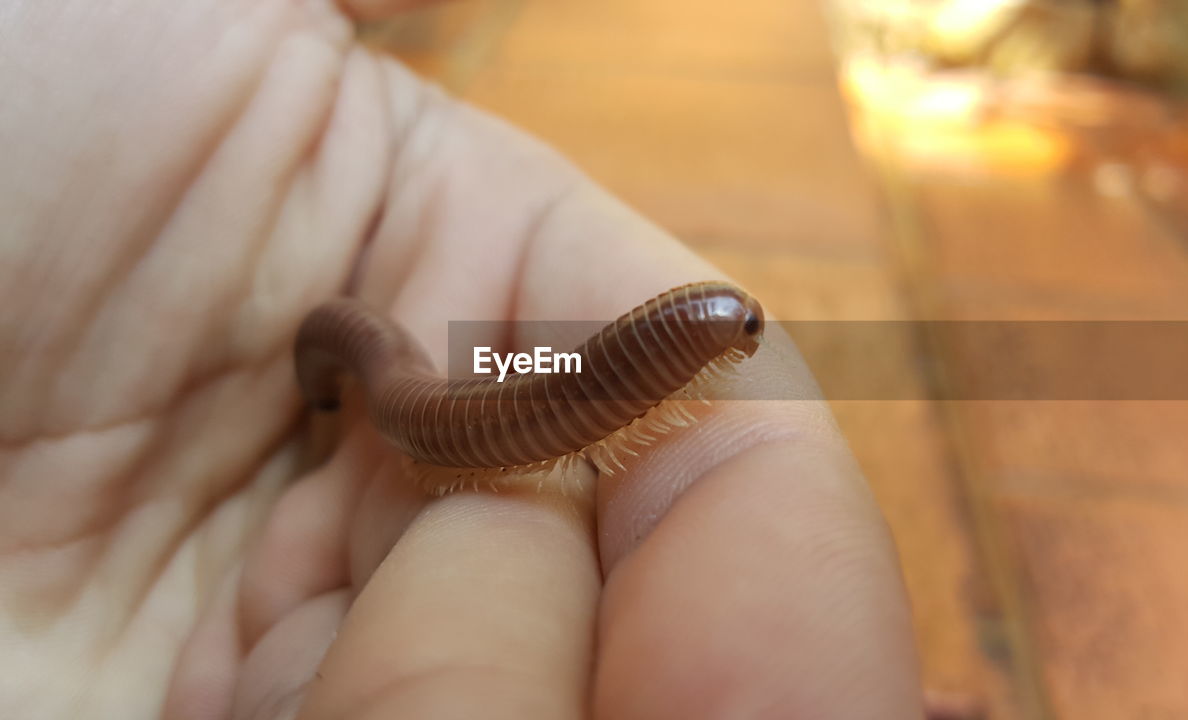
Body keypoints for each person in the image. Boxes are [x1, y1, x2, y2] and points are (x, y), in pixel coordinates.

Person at [0, 1, 922, 717]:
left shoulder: (603, 380)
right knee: (454, 402)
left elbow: (563, 402)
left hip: (421, 402)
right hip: (391, 385)